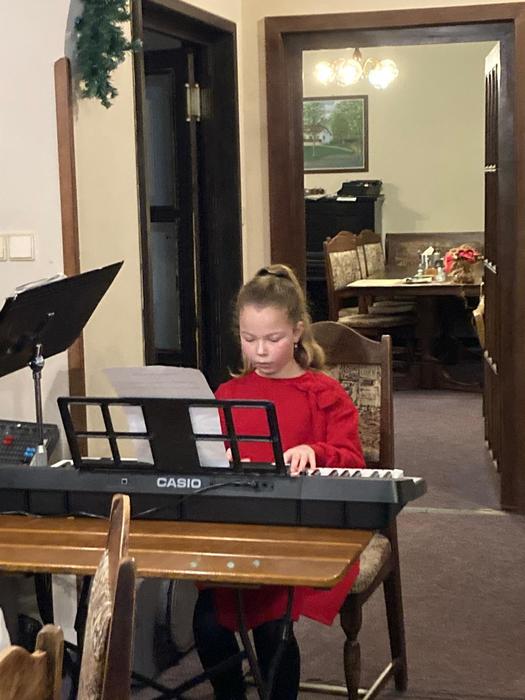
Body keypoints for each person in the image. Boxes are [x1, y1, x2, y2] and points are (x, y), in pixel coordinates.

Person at [193, 264, 365, 700]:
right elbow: (205, 461)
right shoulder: (228, 395)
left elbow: (354, 462)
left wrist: (316, 451)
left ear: (297, 332)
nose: (261, 351)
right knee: (207, 624)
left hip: (299, 531)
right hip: (240, 529)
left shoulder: (323, 394)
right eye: (249, 339)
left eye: (273, 339)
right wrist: (215, 460)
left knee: (273, 627)